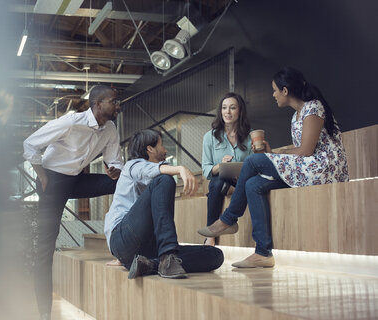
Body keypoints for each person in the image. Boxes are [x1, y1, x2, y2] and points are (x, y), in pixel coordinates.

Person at [198, 67, 349, 268]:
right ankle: (263, 253)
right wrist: (273, 153)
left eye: (275, 90)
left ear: (285, 91)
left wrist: (274, 155)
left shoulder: (313, 108)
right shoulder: (296, 116)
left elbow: (305, 151)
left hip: (323, 169)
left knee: (252, 161)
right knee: (252, 184)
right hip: (306, 169)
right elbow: (301, 152)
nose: (273, 95)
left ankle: (228, 219)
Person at [23, 85, 123, 320]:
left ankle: (125, 240)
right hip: (53, 182)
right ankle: (44, 312)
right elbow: (29, 144)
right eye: (114, 101)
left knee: (124, 183)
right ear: (98, 104)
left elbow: (114, 161)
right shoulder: (70, 122)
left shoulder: (110, 129)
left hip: (76, 180)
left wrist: (116, 171)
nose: (118, 105)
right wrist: (42, 175)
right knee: (46, 247)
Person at [104, 129, 224, 280]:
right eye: (162, 145)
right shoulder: (132, 165)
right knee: (164, 179)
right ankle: (167, 255)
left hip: (143, 250)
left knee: (214, 255)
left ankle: (151, 264)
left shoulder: (158, 173)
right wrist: (181, 168)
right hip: (122, 238)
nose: (166, 150)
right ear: (150, 148)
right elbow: (148, 171)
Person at [202, 92, 252, 246]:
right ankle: (211, 234)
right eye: (224, 108)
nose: (227, 112)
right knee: (217, 182)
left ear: (240, 111)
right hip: (221, 182)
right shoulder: (209, 137)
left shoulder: (249, 137)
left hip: (241, 182)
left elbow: (253, 164)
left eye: (232, 108)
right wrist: (221, 166)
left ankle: (222, 225)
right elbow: (206, 170)